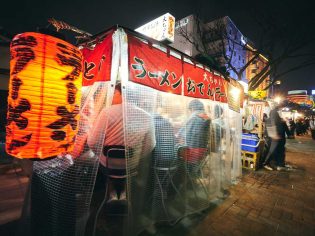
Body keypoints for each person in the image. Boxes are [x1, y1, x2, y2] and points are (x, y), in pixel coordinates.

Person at [87, 82, 156, 200]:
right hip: (131, 166)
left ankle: (112, 193)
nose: (112, 97)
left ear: (122, 94)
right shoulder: (146, 116)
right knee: (125, 172)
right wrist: (136, 157)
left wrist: (102, 155)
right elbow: (150, 145)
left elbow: (92, 142)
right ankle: (123, 193)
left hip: (108, 164)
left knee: (101, 167)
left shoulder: (107, 112)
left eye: (114, 93)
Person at [263, 104, 290, 171]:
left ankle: (280, 164)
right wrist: (274, 135)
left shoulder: (279, 117)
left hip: (279, 138)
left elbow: (283, 127)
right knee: (272, 151)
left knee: (280, 151)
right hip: (273, 138)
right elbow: (271, 125)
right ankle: (265, 163)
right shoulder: (273, 114)